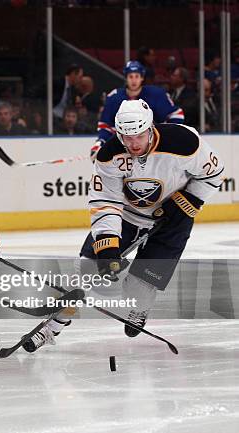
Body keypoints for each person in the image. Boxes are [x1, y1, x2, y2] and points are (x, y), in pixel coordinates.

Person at [25, 99, 224, 353]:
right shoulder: (109, 154)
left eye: (138, 136)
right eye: (126, 137)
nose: (133, 144)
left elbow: (214, 174)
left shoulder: (184, 142)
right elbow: (105, 202)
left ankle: (140, 308)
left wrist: (185, 202)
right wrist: (108, 248)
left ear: (150, 128)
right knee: (86, 268)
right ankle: (52, 326)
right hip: (128, 217)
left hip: (173, 220)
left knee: (140, 287)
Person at [91, 61, 184, 161]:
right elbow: (106, 125)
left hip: (154, 146)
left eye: (137, 76)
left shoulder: (156, 94)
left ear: (142, 78)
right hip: (125, 147)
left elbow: (176, 114)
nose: (134, 80)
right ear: (126, 78)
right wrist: (101, 141)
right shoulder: (114, 97)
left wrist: (167, 136)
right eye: (131, 76)